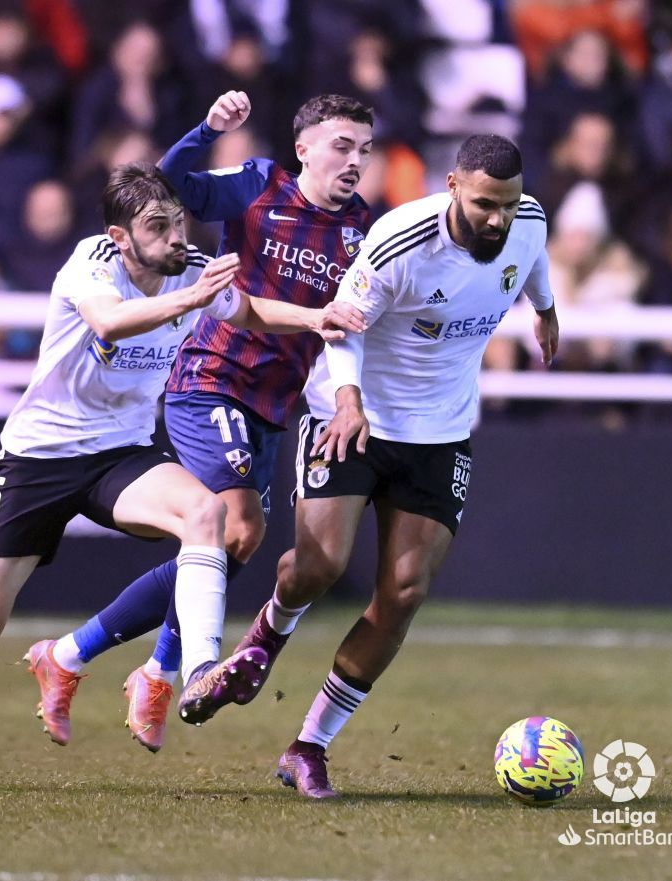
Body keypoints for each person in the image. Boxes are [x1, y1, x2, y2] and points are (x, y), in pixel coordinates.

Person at [0, 161, 363, 786]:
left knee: (209, 514)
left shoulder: (192, 270)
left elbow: (246, 310)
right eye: (158, 226)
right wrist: (195, 298)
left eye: (179, 222)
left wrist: (313, 317)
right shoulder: (92, 262)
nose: (176, 237)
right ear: (122, 237)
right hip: (38, 458)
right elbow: (110, 321)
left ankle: (198, 670)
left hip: (119, 454)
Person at [25, 89, 374, 752]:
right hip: (211, 378)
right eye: (341, 145)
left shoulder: (363, 231)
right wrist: (208, 129)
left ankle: (77, 655)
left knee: (233, 543)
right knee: (235, 526)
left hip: (273, 402)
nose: (355, 160)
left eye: (364, 148)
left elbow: (351, 322)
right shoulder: (259, 184)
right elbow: (170, 184)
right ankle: (168, 671)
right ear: (304, 149)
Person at [235, 134, 560, 798]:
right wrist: (348, 402)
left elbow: (532, 256)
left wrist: (546, 309)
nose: (497, 218)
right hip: (354, 414)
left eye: (508, 203)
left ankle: (308, 746)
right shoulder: (398, 241)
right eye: (484, 204)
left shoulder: (526, 220)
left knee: (405, 592)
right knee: (319, 566)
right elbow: (342, 328)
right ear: (452, 187)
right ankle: (268, 634)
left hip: (440, 431)